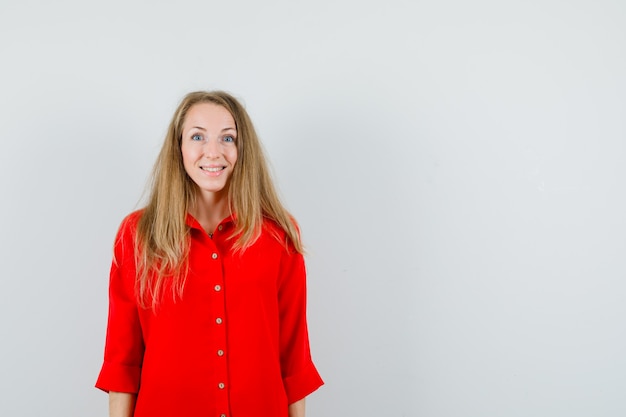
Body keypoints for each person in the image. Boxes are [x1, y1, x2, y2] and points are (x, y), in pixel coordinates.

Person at [96, 91, 323, 417]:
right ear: (179, 148)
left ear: (242, 150)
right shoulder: (137, 234)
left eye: (227, 138)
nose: (213, 151)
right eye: (198, 136)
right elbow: (123, 361)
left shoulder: (278, 234)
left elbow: (293, 357)